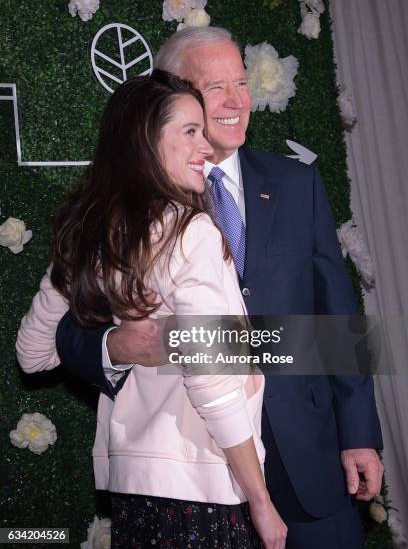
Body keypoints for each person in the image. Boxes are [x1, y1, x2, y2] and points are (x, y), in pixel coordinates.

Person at [54, 27, 384, 549]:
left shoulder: (298, 185)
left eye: (242, 83)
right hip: (196, 481)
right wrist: (113, 346)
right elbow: (61, 330)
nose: (237, 102)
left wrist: (360, 433)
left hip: (309, 458)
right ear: (173, 96)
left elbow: (337, 315)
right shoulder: (128, 207)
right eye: (216, 88)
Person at [16, 70, 288, 548]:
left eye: (203, 132)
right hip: (202, 492)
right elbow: (213, 383)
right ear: (145, 143)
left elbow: (32, 352)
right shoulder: (191, 233)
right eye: (189, 131)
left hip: (134, 492)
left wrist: (109, 346)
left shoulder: (90, 237)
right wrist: (261, 501)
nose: (206, 147)